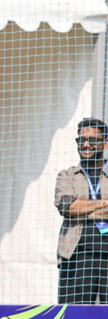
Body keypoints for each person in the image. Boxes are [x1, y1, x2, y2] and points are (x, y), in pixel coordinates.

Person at [54, 117, 108, 303]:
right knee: (74, 316)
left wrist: (83, 207)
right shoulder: (67, 176)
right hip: (76, 257)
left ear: (105, 142)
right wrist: (103, 204)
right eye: (81, 140)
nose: (85, 145)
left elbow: (76, 207)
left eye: (91, 140)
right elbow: (67, 206)